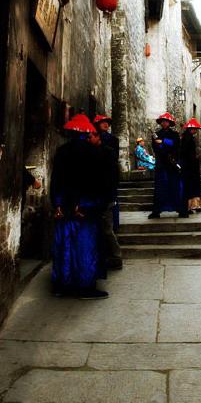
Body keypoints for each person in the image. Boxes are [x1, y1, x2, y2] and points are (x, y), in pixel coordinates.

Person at [50, 114, 109, 299]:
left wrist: (57, 204)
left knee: (65, 245)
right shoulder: (94, 152)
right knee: (85, 247)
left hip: (65, 205)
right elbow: (99, 183)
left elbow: (56, 180)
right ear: (87, 133)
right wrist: (93, 205)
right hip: (85, 206)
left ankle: (62, 286)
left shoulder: (61, 151)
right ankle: (85, 287)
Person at [93, 114, 123, 270]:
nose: (105, 125)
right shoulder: (92, 139)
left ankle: (115, 255)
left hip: (108, 181)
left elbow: (113, 159)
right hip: (98, 183)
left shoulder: (112, 140)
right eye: (103, 123)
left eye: (107, 123)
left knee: (108, 219)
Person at [148, 112, 188, 219]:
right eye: (163, 121)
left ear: (170, 123)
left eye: (166, 121)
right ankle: (156, 211)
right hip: (161, 165)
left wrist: (163, 142)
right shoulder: (156, 134)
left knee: (176, 187)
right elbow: (155, 148)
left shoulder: (174, 134)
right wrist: (162, 146)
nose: (164, 123)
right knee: (160, 188)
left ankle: (181, 210)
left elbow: (176, 146)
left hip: (172, 165)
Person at [181, 118, 201, 213]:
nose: (196, 131)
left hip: (191, 165)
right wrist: (194, 157)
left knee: (193, 185)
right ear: (191, 129)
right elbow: (186, 153)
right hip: (190, 166)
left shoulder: (187, 137)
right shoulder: (188, 138)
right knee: (192, 185)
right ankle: (192, 206)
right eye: (195, 129)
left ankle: (195, 205)